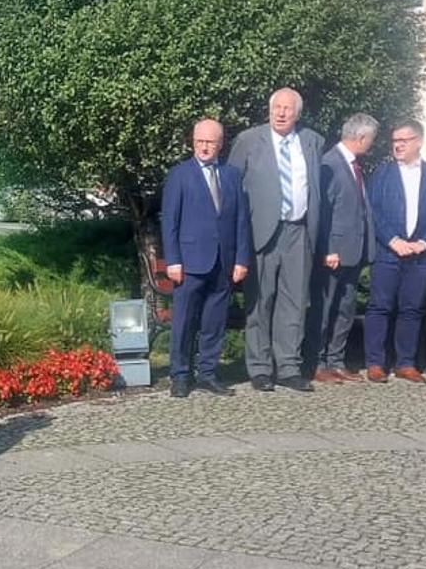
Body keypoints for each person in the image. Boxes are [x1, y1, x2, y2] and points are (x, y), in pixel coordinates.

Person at [226, 87, 325, 392]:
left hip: (298, 231)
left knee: (294, 303)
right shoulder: (248, 140)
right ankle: (259, 368)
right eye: (276, 108)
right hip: (261, 232)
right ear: (269, 110)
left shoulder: (313, 142)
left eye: (288, 108)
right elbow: (232, 188)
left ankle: (289, 367)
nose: (281, 113)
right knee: (260, 301)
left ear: (298, 113)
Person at [161, 118, 250, 398]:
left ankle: (208, 373)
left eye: (210, 142)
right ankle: (180, 375)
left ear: (221, 144)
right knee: (185, 322)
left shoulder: (232, 175)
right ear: (193, 142)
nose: (204, 147)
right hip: (189, 263)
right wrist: (173, 260)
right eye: (199, 141)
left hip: (223, 262)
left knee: (214, 322)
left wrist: (241, 260)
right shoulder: (180, 175)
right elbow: (170, 221)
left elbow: (241, 221)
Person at [362, 120, 426, 384]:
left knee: (412, 309)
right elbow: (373, 211)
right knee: (380, 306)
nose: (398, 145)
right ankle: (376, 363)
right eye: (395, 141)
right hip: (389, 252)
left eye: (404, 140)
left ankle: (406, 363)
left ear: (419, 142)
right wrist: (392, 240)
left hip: (420, 254)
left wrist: (424, 243)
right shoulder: (382, 173)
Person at [310, 113, 378, 384]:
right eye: (371, 139)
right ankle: (316, 362)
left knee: (345, 309)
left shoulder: (354, 165)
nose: (372, 144)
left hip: (354, 252)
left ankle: (336, 361)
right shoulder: (329, 164)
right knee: (324, 310)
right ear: (361, 137)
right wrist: (327, 249)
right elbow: (323, 213)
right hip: (334, 254)